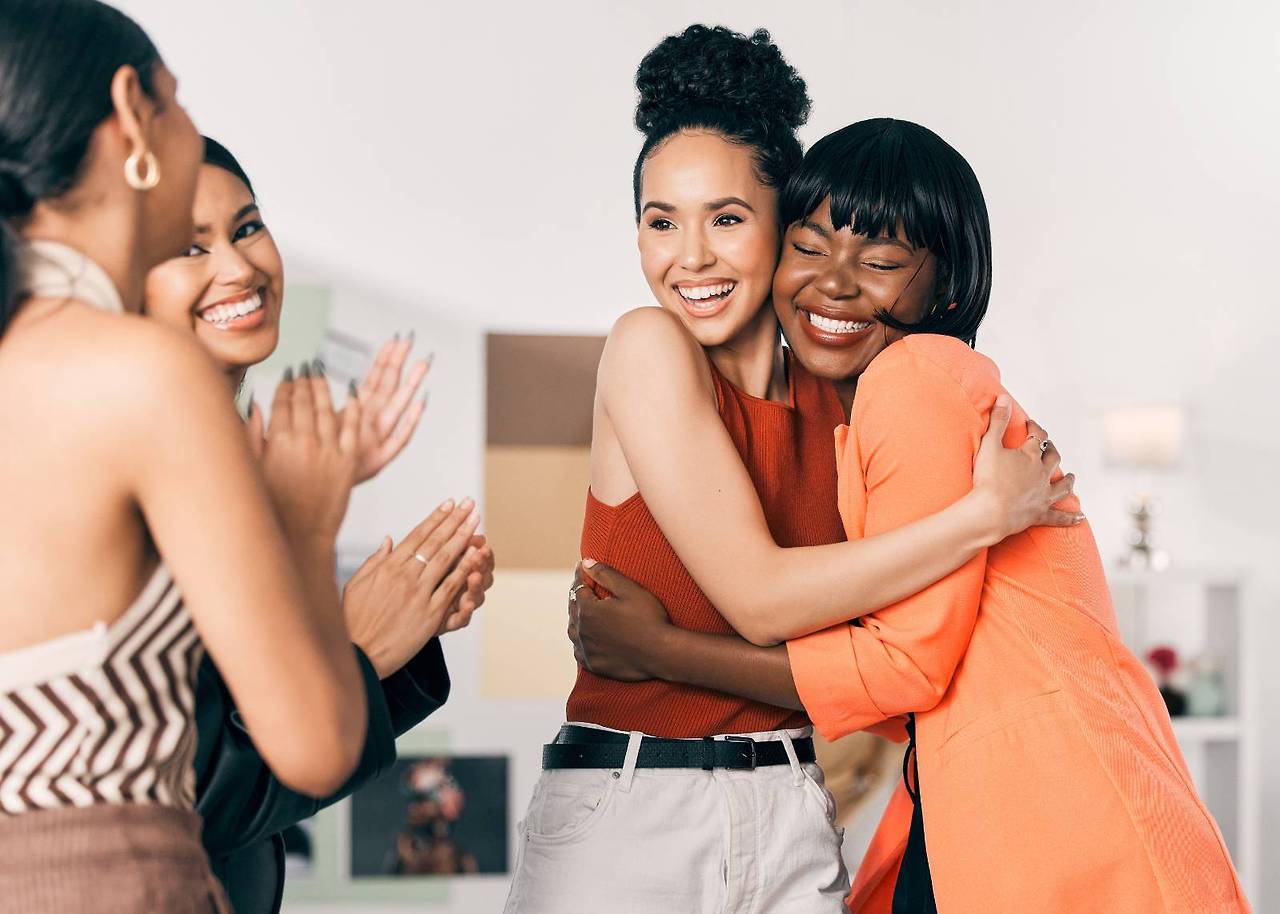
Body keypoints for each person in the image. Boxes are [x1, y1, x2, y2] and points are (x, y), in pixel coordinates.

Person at [569, 118, 1251, 913]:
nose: (834, 284)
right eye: (810, 247)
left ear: (947, 288)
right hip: (1012, 805)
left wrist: (659, 650)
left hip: (1057, 815)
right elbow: (906, 681)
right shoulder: (861, 405)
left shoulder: (913, 377)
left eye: (882, 262)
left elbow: (900, 668)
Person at [505, 26, 1075, 914]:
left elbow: (895, 650)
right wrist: (980, 516)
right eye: (661, 221)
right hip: (632, 807)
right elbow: (762, 601)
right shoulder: (648, 347)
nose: (690, 256)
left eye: (727, 219)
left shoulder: (848, 394)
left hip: (793, 806)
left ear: (789, 227)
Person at [0, 1, 364, 909]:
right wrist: (307, 524)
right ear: (135, 112)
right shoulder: (145, 375)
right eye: (180, 99)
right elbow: (316, 744)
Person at [142, 137, 496, 913]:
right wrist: (359, 648)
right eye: (189, 247)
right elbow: (196, 796)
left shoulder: (223, 472)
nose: (238, 268)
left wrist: (405, 622)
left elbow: (252, 726)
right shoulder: (122, 485)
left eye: (247, 227)